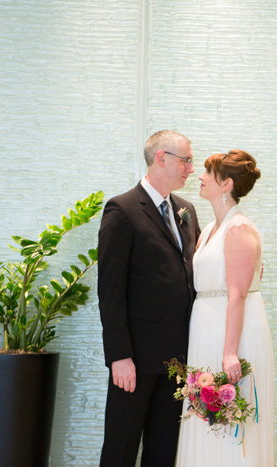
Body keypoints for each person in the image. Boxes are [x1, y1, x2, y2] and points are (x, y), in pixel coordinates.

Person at [98, 130, 201, 467]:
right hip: (136, 360)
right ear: (161, 158)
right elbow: (110, 290)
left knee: (162, 453)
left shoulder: (186, 210)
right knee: (121, 449)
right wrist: (119, 356)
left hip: (177, 360)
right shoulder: (123, 209)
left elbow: (196, 267)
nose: (190, 167)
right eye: (185, 160)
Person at [175, 150, 274, 466]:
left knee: (229, 422)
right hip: (206, 327)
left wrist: (230, 352)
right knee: (205, 419)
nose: (200, 178)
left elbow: (238, 295)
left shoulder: (239, 229)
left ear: (227, 183)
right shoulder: (209, 230)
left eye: (208, 173)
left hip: (230, 332)